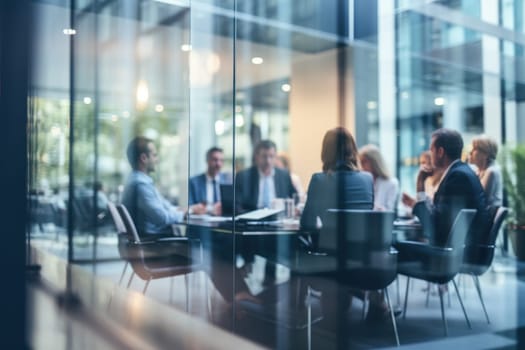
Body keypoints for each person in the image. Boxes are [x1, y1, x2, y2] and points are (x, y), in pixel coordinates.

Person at [300, 127, 394, 323]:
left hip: (330, 264)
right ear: (353, 151)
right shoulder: (368, 179)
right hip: (363, 262)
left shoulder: (319, 180)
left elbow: (307, 224)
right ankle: (371, 301)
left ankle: (299, 310)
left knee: (301, 248)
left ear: (325, 152)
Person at [401, 128, 491, 247]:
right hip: (464, 249)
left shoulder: (458, 176)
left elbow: (433, 228)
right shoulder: (461, 171)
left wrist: (420, 184)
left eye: (431, 150)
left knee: (398, 247)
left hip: (458, 254)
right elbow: (441, 218)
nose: (429, 153)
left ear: (440, 152)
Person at [121, 136, 206, 236]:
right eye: (154, 155)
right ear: (144, 158)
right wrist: (189, 211)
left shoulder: (141, 181)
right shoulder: (141, 185)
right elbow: (162, 218)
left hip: (152, 239)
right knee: (196, 240)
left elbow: (166, 207)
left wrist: (188, 209)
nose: (157, 160)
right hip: (153, 242)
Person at [235, 140, 297, 213]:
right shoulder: (243, 176)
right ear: (257, 157)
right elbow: (236, 204)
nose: (268, 161)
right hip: (253, 217)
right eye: (264, 156)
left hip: (278, 217)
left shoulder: (284, 175)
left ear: (276, 157)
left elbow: (295, 197)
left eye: (271, 156)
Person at [188, 147, 231, 215]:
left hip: (223, 221)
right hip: (201, 221)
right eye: (215, 160)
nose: (218, 164)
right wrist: (209, 210)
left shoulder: (228, 181)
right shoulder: (194, 182)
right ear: (207, 160)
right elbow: (189, 207)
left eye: (221, 160)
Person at [358, 144, 399, 211]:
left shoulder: (391, 183)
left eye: (364, 162)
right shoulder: (361, 183)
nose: (361, 166)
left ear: (375, 162)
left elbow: (390, 210)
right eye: (360, 162)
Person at [469, 135, 503, 207]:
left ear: (486, 154)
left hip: (486, 215)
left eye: (474, 149)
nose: (470, 152)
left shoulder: (491, 172)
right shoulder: (478, 169)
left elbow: (480, 199)